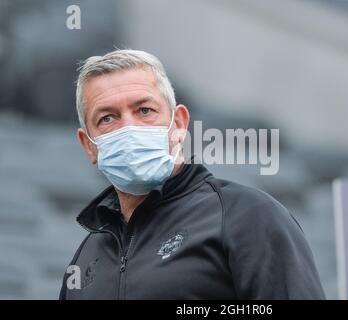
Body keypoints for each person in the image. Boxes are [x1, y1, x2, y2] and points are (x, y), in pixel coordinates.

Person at [59, 49, 325, 299]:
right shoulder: (86, 257)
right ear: (88, 146)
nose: (129, 128)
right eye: (107, 118)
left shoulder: (249, 217)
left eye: (144, 110)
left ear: (178, 124)